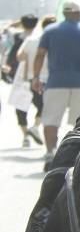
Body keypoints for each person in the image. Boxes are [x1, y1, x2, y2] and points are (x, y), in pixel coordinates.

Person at [32, 1, 80, 163]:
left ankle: (50, 153)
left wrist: (36, 77)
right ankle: (76, 156)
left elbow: (40, 55)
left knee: (51, 120)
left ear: (64, 14)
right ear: (78, 14)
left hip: (55, 83)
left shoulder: (50, 31)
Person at [10, 14, 43, 146]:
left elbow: (14, 57)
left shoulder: (18, 38)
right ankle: (35, 126)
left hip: (20, 76)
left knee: (20, 106)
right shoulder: (41, 38)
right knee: (42, 104)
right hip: (38, 75)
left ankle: (25, 137)